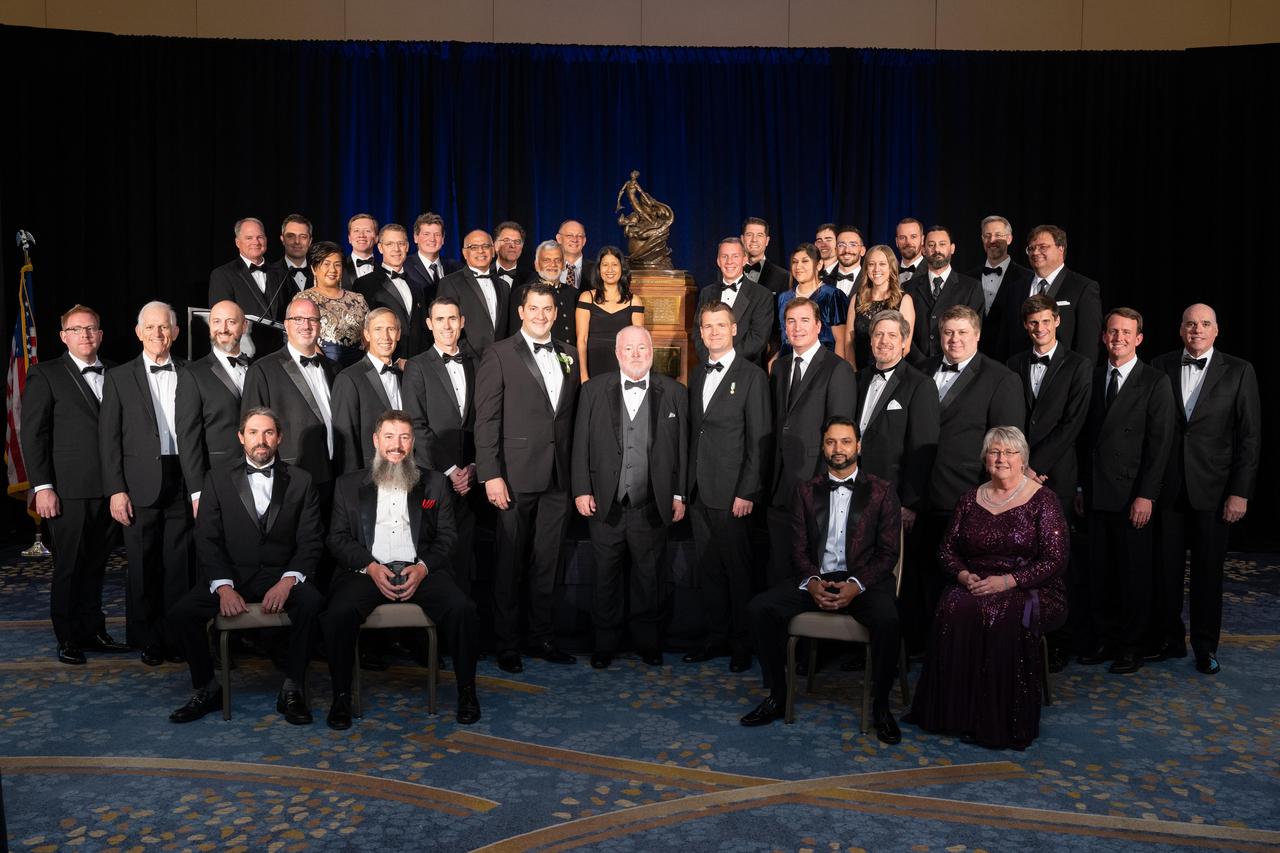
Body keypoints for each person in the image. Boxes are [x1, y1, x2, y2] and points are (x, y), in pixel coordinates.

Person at [743, 416, 903, 745]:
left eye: (845, 441)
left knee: (888, 619)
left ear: (858, 446)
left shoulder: (883, 491)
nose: (838, 448)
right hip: (818, 578)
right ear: (823, 447)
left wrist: (855, 585)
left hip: (863, 582)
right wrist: (812, 582)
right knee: (760, 609)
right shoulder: (805, 491)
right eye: (831, 442)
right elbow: (798, 549)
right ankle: (777, 695)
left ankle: (881, 706)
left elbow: (888, 554)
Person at [907, 426, 1068, 750]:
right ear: (984, 458)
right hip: (977, 582)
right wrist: (964, 575)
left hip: (1032, 587)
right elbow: (946, 550)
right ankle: (954, 714)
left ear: (1023, 460)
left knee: (1003, 615)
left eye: (1009, 453)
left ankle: (996, 721)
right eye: (994, 452)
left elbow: (1055, 560)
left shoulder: (1044, 501)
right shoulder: (970, 499)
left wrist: (1009, 581)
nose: (1001, 459)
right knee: (952, 605)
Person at [165, 408, 325, 725]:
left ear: (279, 438)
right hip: (233, 576)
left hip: (279, 576)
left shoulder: (302, 481)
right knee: (182, 613)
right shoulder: (218, 478)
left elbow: (311, 540)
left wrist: (287, 581)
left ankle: (292, 688)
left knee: (313, 602)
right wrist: (223, 587)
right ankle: (207, 689)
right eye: (253, 432)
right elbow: (207, 539)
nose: (260, 440)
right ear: (241, 437)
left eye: (268, 432)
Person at [323, 410, 480, 728]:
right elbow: (337, 539)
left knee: (463, 609)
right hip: (367, 572)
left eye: (405, 437)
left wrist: (423, 568)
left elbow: (448, 538)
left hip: (420, 571)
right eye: (390, 437)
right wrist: (370, 567)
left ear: (412, 443)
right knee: (337, 614)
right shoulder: (347, 485)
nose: (397, 445)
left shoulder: (434, 483)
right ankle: (340, 695)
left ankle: (467, 692)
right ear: (376, 441)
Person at [475, 283, 581, 673]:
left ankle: (542, 637)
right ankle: (507, 643)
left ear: (556, 313)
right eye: (533, 308)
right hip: (514, 477)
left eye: (547, 309)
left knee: (547, 562)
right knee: (509, 563)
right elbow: (485, 420)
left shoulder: (570, 354)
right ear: (521, 311)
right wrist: (490, 475)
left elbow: (568, 420)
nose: (540, 315)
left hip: (558, 476)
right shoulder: (499, 353)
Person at [1150, 304, 1260, 675]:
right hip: (1168, 488)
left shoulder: (1240, 370)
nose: (1197, 329)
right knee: (1164, 571)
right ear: (1180, 329)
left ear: (1217, 331)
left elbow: (1249, 438)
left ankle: (1205, 646)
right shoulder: (1160, 365)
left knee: (1207, 574)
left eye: (1205, 324)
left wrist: (1239, 492)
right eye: (1190, 324)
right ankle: (1168, 639)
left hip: (1214, 491)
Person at [572, 326, 688, 668]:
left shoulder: (674, 392)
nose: (636, 354)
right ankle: (605, 644)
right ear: (617, 353)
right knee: (604, 577)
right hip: (605, 503)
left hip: (651, 503)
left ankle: (647, 643)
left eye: (642, 347)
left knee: (649, 577)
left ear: (651, 352)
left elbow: (683, 448)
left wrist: (679, 494)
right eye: (629, 348)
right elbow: (579, 443)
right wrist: (581, 488)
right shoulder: (593, 390)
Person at [909, 305, 1023, 651]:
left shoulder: (1001, 378)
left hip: (968, 500)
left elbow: (1005, 450)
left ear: (977, 335)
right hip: (918, 497)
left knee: (962, 585)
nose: (954, 339)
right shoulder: (921, 370)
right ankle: (923, 647)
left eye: (962, 332)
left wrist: (989, 503)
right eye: (948, 333)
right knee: (920, 579)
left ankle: (961, 651)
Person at [20, 304, 128, 665]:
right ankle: (67, 637)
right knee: (70, 566)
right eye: (77, 329)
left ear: (100, 334)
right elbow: (33, 436)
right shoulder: (46, 375)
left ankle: (94, 631)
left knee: (98, 564)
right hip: (67, 490)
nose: (85, 335)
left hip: (110, 488)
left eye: (91, 328)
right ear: (64, 336)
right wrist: (42, 486)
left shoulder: (116, 371)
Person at [1077, 308, 1174, 675]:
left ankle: (1132, 646)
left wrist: (1147, 495)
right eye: (1112, 331)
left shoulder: (1154, 381)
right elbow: (1087, 442)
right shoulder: (1095, 375)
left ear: (1139, 339)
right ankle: (1104, 639)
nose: (1118, 338)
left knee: (1133, 575)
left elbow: (1159, 445)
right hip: (1098, 491)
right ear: (1103, 337)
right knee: (1099, 571)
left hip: (1134, 495)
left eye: (1126, 332)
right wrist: (1083, 485)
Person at [99, 301, 194, 665]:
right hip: (138, 482)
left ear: (176, 332)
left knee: (179, 563)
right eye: (150, 328)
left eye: (164, 327)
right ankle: (146, 638)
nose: (158, 334)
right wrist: (116, 489)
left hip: (183, 477)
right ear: (139, 333)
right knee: (142, 564)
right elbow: (109, 440)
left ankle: (177, 636)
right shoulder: (119, 377)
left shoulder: (191, 372)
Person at [685, 301, 771, 671]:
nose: (714, 332)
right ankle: (715, 637)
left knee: (738, 571)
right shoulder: (697, 374)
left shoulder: (752, 376)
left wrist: (747, 491)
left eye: (721, 325)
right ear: (701, 333)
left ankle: (741, 643)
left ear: (734, 329)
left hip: (733, 492)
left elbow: (760, 439)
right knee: (709, 571)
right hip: (699, 492)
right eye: (707, 326)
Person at [1006, 294, 1091, 670]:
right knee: (1018, 554)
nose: (1039, 328)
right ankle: (1019, 633)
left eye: (1045, 321)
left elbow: (1073, 423)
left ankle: (1058, 641)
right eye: (1032, 323)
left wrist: (1036, 466)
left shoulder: (1079, 364)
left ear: (1057, 321)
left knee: (1057, 560)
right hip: (1015, 474)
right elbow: (1012, 419)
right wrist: (1020, 465)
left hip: (1055, 473)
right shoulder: (1013, 363)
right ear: (1026, 326)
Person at [241, 297, 340, 560]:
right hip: (291, 478)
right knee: (294, 554)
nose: (306, 325)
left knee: (329, 548)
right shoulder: (263, 370)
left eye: (312, 319)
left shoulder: (333, 368)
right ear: (286, 325)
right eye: (298, 319)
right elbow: (252, 431)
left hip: (334, 473)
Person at [767, 297, 857, 584]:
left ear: (819, 326)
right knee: (780, 570)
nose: (797, 327)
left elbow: (840, 439)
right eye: (790, 321)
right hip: (779, 484)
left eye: (805, 320)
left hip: (815, 486)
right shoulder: (779, 367)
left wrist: (823, 484)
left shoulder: (837, 368)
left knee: (811, 571)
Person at [403, 296, 480, 596]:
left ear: (462, 322)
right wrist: (451, 470)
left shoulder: (480, 361)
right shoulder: (417, 367)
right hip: (434, 478)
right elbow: (416, 425)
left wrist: (474, 466)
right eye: (440, 319)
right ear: (429, 324)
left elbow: (486, 418)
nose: (447, 326)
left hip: (474, 480)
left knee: (469, 557)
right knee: (436, 554)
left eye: (452, 319)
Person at [855, 310, 938, 534]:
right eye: (878, 334)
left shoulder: (920, 384)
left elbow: (923, 450)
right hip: (855, 491)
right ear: (871, 340)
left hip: (892, 495)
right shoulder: (859, 378)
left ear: (903, 341)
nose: (884, 342)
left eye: (892, 335)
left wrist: (909, 503)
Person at [177, 300, 252, 518]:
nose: (223, 328)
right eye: (217, 321)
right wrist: (197, 491)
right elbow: (187, 437)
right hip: (216, 479)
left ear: (244, 326)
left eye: (231, 321)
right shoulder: (193, 374)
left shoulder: (259, 368)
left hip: (259, 474)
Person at [988, 225, 1101, 365]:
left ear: (1061, 249)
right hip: (1018, 377)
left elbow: (1088, 345)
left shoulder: (1083, 288)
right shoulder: (1014, 289)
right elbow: (1004, 342)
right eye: (1031, 248)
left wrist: (1079, 381)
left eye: (1043, 247)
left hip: (1062, 378)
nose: (1035, 252)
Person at [332, 308, 404, 474]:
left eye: (391, 329)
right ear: (367, 334)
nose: (385, 337)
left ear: (398, 334)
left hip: (405, 470)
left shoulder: (405, 376)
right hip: (370, 474)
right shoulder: (348, 378)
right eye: (378, 329)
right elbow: (346, 440)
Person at [208, 217, 290, 356]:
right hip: (244, 352)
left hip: (279, 354)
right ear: (237, 242)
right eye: (249, 238)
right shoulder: (222, 274)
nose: (255, 242)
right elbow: (221, 320)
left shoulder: (282, 273)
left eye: (260, 237)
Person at [904, 226, 984, 368]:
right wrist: (921, 363)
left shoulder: (971, 287)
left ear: (952, 248)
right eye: (931, 245)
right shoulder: (907, 288)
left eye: (942, 244)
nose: (937, 250)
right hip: (916, 367)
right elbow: (904, 330)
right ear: (923, 250)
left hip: (956, 365)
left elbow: (973, 330)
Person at [695, 237, 772, 366]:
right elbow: (698, 332)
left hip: (746, 369)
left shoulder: (762, 295)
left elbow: (758, 338)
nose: (729, 261)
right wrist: (711, 359)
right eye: (724, 256)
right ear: (718, 261)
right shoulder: (706, 293)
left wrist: (726, 360)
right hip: (712, 366)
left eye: (735, 256)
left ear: (744, 260)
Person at [356, 224, 428, 360]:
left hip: (416, 366)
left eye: (401, 243)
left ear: (407, 247)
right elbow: (363, 332)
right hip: (386, 364)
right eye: (390, 244)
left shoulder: (417, 286)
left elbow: (423, 330)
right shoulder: (365, 283)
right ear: (380, 248)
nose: (396, 249)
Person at [574, 246, 645, 381]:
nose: (610, 270)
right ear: (599, 269)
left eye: (614, 265)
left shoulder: (634, 301)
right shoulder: (586, 297)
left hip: (624, 367)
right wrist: (583, 375)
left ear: (622, 268)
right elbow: (581, 340)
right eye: (605, 265)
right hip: (593, 366)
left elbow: (639, 342)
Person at [438, 229, 510, 357]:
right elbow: (445, 326)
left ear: (493, 251)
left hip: (500, 359)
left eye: (486, 246)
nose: (481, 251)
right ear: (465, 253)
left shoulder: (504, 286)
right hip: (466, 360)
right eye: (474, 247)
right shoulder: (450, 283)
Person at [299, 241, 369, 368]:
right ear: (314, 269)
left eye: (337, 265)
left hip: (359, 368)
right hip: (322, 367)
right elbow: (301, 337)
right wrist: (327, 367)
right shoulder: (304, 299)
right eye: (326, 264)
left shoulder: (358, 299)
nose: (332, 270)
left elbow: (368, 336)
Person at [776, 243, 849, 361]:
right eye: (794, 262)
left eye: (805, 261)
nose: (798, 266)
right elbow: (782, 336)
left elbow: (841, 340)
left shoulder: (832, 295)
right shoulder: (784, 297)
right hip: (788, 362)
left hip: (822, 363)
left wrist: (838, 370)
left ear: (819, 265)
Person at [851, 245, 916, 371]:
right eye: (871, 264)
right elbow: (849, 343)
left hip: (890, 373)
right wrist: (854, 373)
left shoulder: (904, 300)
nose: (876, 269)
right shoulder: (857, 299)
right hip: (858, 373)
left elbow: (905, 346)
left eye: (882, 264)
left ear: (891, 267)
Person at [510, 240, 577, 347]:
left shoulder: (574, 293)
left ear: (564, 265)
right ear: (536, 265)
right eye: (546, 260)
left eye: (557, 260)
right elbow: (514, 335)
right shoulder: (523, 292)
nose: (553, 264)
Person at [968, 215, 1032, 325]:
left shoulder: (1027, 277)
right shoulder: (969, 278)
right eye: (987, 236)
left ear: (1009, 239)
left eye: (998, 235)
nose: (992, 240)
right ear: (982, 239)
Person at [405, 212, 460, 298]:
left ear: (443, 239)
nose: (432, 239)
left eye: (437, 235)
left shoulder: (456, 268)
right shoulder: (405, 267)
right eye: (426, 234)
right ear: (415, 237)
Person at [741, 217, 790, 295]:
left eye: (759, 235)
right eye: (749, 235)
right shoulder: (729, 271)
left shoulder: (783, 277)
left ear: (767, 241)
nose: (754, 239)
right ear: (742, 239)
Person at [274, 213, 314, 293]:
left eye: (303, 237)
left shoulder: (319, 273)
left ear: (310, 241)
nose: (297, 241)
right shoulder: (270, 274)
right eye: (291, 236)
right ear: (282, 239)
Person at [826, 226, 866, 298]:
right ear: (835, 250)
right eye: (841, 245)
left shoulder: (870, 281)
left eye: (853, 245)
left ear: (862, 251)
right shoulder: (823, 281)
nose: (847, 250)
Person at [342, 213, 380, 287]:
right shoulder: (340, 266)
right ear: (349, 238)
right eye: (356, 231)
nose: (361, 235)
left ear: (376, 238)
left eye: (367, 231)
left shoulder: (384, 268)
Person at [556, 220, 595, 289]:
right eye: (569, 235)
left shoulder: (596, 270)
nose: (574, 240)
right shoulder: (548, 268)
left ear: (584, 241)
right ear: (559, 239)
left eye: (579, 236)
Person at [493, 221, 530, 288]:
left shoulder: (530, 278)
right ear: (496, 245)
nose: (512, 245)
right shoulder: (484, 273)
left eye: (517, 241)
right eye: (506, 240)